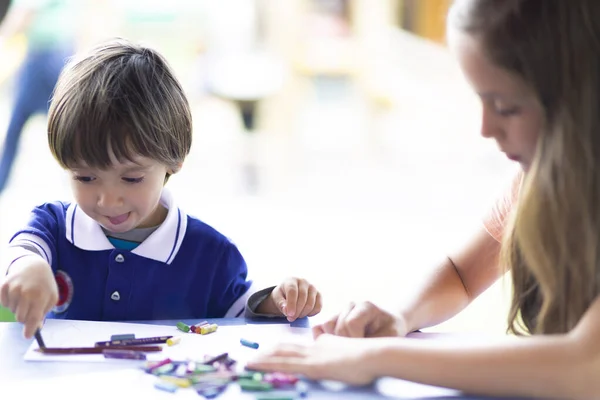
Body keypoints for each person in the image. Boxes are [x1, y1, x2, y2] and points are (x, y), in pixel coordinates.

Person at [247, 1, 600, 398]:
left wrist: (380, 358)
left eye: (506, 106)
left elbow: (585, 368)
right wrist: (399, 316)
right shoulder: (534, 183)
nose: (485, 127)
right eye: (480, 100)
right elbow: (461, 275)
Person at [0, 38, 322, 339]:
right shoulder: (53, 228)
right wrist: (28, 267)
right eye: (85, 177)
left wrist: (279, 300)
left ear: (173, 159)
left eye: (131, 178)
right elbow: (25, 250)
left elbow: (242, 317)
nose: (108, 199)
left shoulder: (209, 255)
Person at [0, 0, 77, 194]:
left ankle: (81, 180)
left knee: (65, 125)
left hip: (45, 59)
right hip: (54, 54)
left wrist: (4, 37)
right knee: (67, 126)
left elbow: (25, 13)